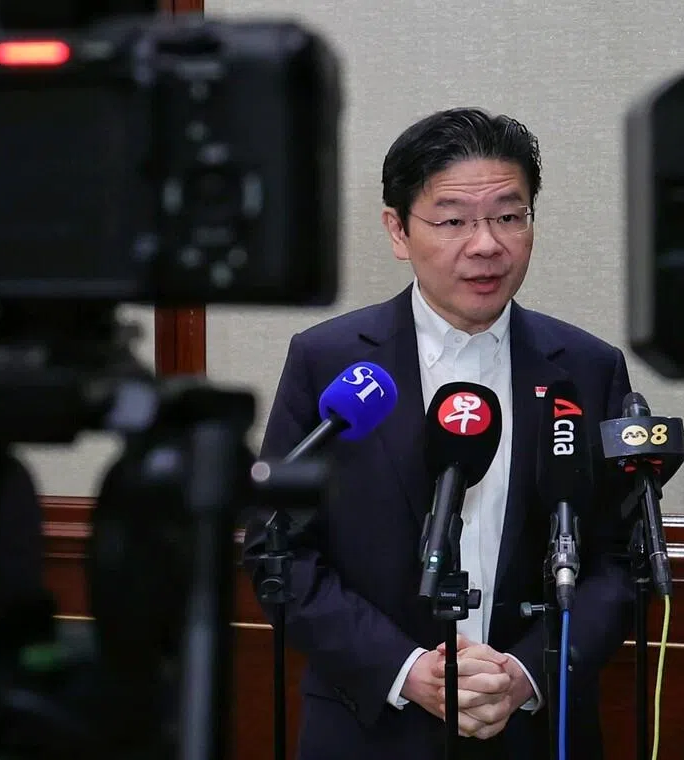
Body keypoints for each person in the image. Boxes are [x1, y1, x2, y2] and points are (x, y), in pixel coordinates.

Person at [244, 107, 634, 759]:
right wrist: (405, 670)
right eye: (453, 221)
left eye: (509, 216)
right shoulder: (332, 362)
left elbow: (620, 560)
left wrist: (528, 673)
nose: (486, 245)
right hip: (370, 730)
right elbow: (279, 552)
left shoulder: (589, 370)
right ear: (398, 230)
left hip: (535, 731)